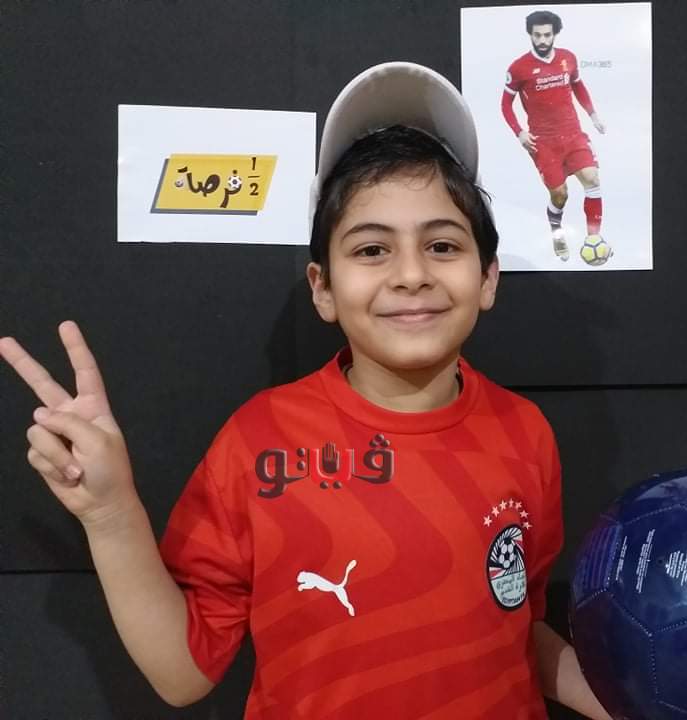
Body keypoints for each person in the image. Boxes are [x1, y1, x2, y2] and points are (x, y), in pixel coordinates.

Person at [1, 62, 611, 720]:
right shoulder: (258, 439)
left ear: (487, 277)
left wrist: (620, 698)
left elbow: (515, 626)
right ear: (322, 287)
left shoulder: (525, 432)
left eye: (441, 245)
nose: (411, 274)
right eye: (372, 250)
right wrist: (110, 513)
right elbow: (182, 675)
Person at [502, 10, 609, 265]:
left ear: (554, 34)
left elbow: (578, 85)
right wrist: (520, 132)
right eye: (537, 35)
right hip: (543, 142)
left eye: (547, 35)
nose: (542, 40)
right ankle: (557, 230)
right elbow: (505, 104)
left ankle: (594, 238)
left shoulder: (567, 58)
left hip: (573, 134)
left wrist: (593, 115)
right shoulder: (518, 68)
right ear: (530, 34)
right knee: (560, 194)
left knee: (592, 178)